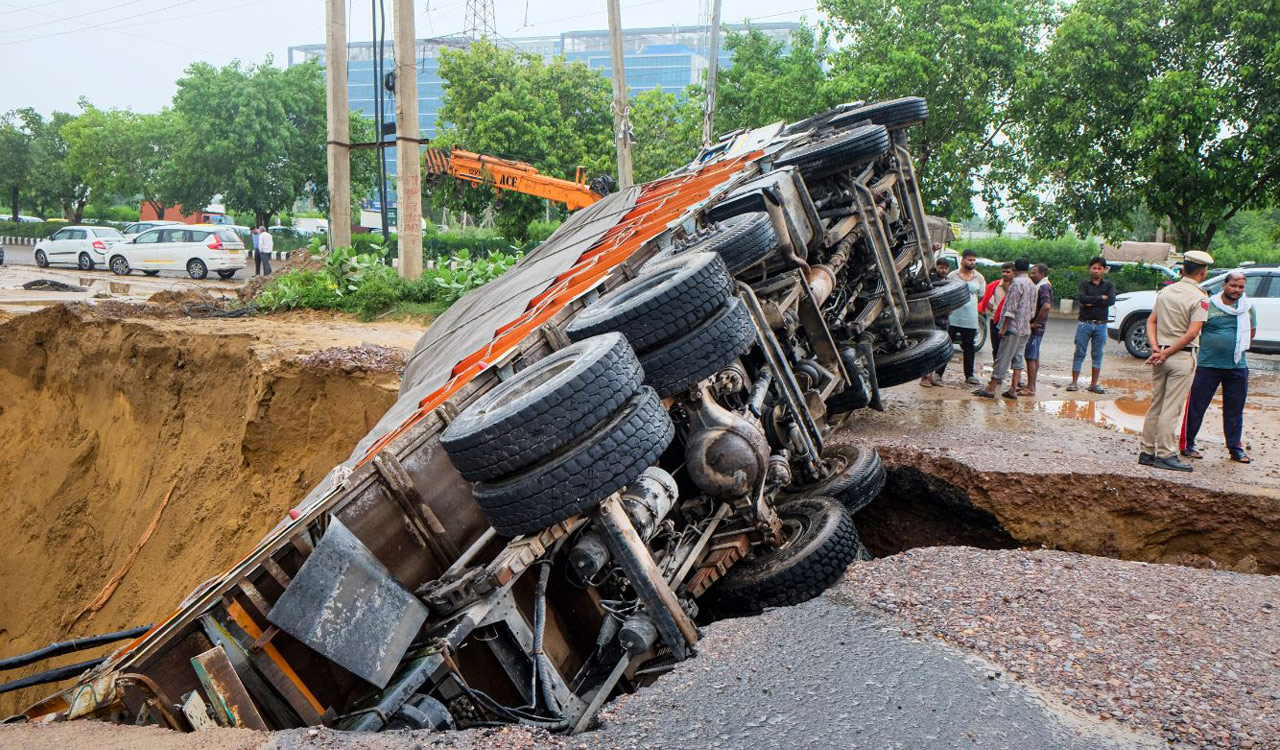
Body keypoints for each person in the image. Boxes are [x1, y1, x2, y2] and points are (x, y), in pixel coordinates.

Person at [1139, 250, 1214, 472]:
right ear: (1202, 272)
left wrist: (1156, 347)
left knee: (1157, 404)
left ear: (1182, 270)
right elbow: (1192, 334)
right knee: (1171, 407)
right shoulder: (1200, 298)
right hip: (1180, 357)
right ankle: (1165, 454)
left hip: (1160, 355)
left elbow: (1151, 321)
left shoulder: (1166, 292)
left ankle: (1147, 451)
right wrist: (1167, 352)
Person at [1180, 270, 1254, 464]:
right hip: (1208, 365)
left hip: (1237, 366)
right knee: (1196, 406)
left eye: (1240, 287)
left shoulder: (1247, 308)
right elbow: (1196, 331)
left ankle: (1235, 449)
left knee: (1234, 410)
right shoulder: (1209, 305)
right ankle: (1187, 445)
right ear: (1224, 285)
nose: (1236, 290)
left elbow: (1251, 334)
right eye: (1233, 285)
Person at [974, 258, 1035, 399]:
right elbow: (1032, 308)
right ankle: (1013, 388)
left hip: (1013, 327)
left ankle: (992, 387)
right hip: (1025, 327)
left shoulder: (1016, 283)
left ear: (1015, 269)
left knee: (1003, 357)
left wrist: (1003, 328)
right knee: (1018, 358)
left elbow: (1010, 308)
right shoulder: (1031, 284)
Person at [936, 249, 985, 385]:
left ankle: (969, 376)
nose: (972, 262)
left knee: (969, 347)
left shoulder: (979, 277)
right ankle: (938, 374)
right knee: (946, 345)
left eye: (974, 260)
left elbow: (980, 296)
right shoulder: (952, 275)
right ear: (962, 260)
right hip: (952, 317)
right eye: (969, 260)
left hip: (970, 319)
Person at [1068, 257, 1116, 393]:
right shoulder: (1084, 284)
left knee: (1097, 354)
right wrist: (1101, 298)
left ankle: (1093, 384)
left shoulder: (1109, 285)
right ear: (1090, 269)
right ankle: (1074, 382)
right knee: (1079, 353)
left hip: (1101, 325)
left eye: (1099, 268)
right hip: (1085, 324)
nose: (1096, 271)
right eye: (1094, 268)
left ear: (1104, 270)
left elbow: (1111, 301)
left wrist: (1092, 301)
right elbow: (1082, 298)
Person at [1017, 263, 1052, 396]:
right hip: (1037, 327)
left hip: (1036, 329)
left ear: (1041, 274)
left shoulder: (1043, 287)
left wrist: (1035, 322)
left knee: (1030, 356)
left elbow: (1047, 306)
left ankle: (1030, 388)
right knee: (1034, 356)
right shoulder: (1042, 286)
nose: (1032, 275)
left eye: (1034, 273)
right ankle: (1031, 385)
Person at [919, 257, 953, 387]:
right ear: (936, 267)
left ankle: (932, 376)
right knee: (930, 349)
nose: (943, 270)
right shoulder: (931, 280)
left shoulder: (948, 282)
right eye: (941, 267)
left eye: (945, 268)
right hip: (933, 319)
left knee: (937, 349)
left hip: (944, 319)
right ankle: (924, 378)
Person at [979, 262, 1014, 362]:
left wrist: (1008, 290)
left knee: (1008, 348)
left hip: (1010, 321)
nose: (1005, 274)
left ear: (1013, 273)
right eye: (1003, 271)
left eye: (1008, 272)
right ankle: (997, 367)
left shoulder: (1016, 286)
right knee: (996, 347)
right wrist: (994, 309)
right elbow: (984, 298)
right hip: (995, 319)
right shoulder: (995, 285)